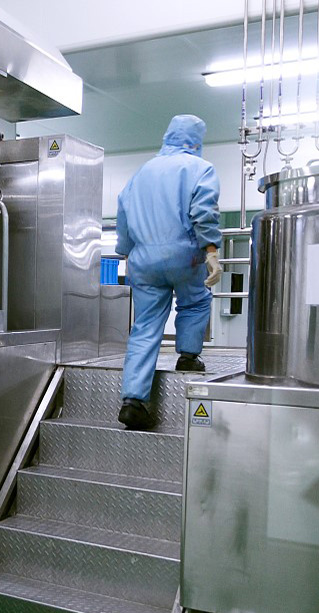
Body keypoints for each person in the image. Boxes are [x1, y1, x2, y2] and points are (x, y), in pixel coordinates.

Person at [115, 114, 223, 431]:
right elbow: (203, 212)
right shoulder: (200, 168)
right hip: (184, 256)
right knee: (196, 301)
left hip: (143, 259)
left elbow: (123, 217)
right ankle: (188, 356)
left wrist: (126, 251)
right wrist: (211, 251)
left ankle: (133, 401)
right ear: (195, 141)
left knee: (145, 325)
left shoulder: (140, 173)